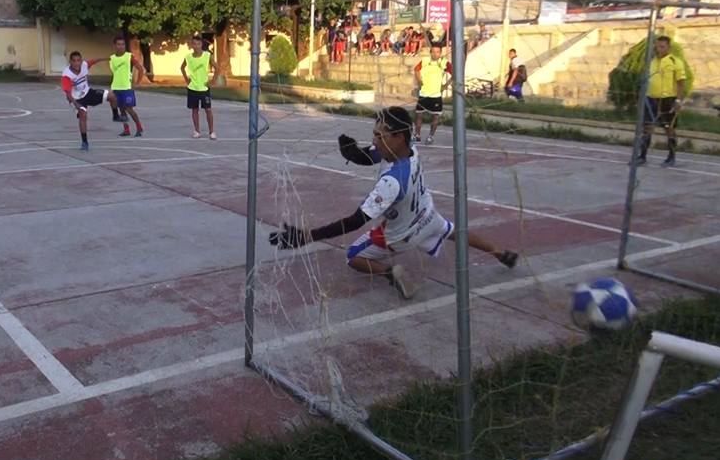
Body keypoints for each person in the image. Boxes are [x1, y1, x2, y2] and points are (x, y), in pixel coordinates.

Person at [269, 107, 518, 299]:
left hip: (401, 235)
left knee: (353, 256)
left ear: (398, 137)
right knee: (454, 230)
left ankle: (391, 272)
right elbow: (371, 155)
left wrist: (308, 236)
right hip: (427, 216)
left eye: (380, 136)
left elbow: (355, 221)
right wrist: (353, 153)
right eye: (374, 135)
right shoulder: (410, 150)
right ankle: (500, 253)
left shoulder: (391, 183)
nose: (375, 141)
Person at [636, 35, 686, 167]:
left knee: (668, 127)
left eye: (662, 46)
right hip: (651, 98)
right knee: (647, 127)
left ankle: (671, 157)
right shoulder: (652, 61)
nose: (659, 49)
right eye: (657, 46)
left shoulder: (675, 62)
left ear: (668, 47)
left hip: (668, 99)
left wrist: (678, 101)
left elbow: (681, 82)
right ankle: (642, 156)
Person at [61, 51, 115, 151]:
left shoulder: (85, 65)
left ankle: (116, 116)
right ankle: (84, 142)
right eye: (74, 61)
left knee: (112, 96)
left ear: (81, 61)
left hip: (88, 92)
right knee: (83, 115)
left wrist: (110, 58)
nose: (77, 63)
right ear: (70, 62)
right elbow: (68, 95)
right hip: (76, 98)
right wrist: (76, 104)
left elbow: (96, 60)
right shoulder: (67, 75)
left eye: (78, 60)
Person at [413, 43, 452, 146]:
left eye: (438, 52)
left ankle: (430, 137)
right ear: (430, 52)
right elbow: (416, 69)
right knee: (418, 115)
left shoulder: (444, 62)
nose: (435, 54)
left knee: (435, 117)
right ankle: (417, 135)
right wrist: (419, 80)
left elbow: (455, 72)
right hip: (424, 94)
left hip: (436, 96)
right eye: (433, 52)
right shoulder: (425, 61)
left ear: (441, 53)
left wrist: (446, 85)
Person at [181, 35, 218, 140]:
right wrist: (186, 79)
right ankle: (197, 131)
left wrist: (213, 81)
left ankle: (212, 132)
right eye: (194, 44)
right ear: (191, 45)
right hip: (193, 88)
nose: (196, 46)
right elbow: (182, 67)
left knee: (208, 109)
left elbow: (217, 68)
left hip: (204, 88)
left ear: (201, 44)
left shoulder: (207, 55)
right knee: (194, 110)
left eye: (198, 44)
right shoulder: (188, 57)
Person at [109, 35, 146, 137]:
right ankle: (126, 130)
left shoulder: (129, 57)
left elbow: (140, 69)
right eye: (118, 44)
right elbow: (114, 73)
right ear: (115, 45)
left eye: (123, 44)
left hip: (126, 88)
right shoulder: (112, 58)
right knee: (121, 109)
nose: (121, 46)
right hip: (116, 87)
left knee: (129, 109)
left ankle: (139, 127)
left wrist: (137, 83)